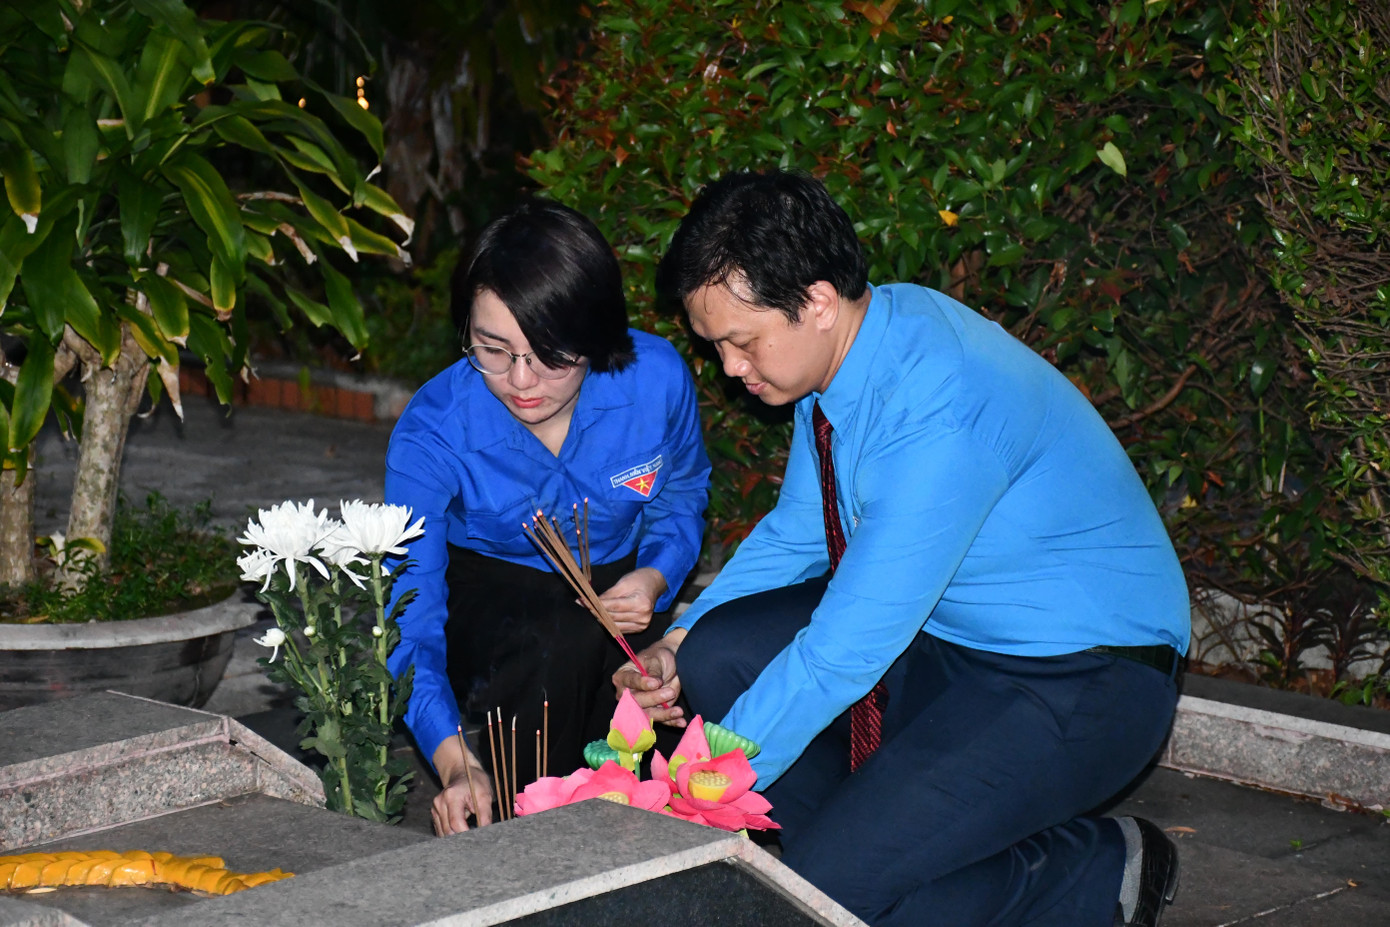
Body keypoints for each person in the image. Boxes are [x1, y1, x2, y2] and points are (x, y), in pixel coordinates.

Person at [616, 170, 1189, 927]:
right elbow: (796, 530)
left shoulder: (940, 407)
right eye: (716, 345)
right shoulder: (852, 348)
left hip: (1084, 677)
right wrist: (678, 638)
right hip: (953, 639)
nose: (729, 368)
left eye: (741, 342)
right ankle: (872, 851)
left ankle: (1096, 869)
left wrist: (693, 789)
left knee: (823, 896)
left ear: (818, 301)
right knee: (718, 656)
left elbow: (843, 652)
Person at [386, 199, 710, 836]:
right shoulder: (433, 429)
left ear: (595, 333)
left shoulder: (654, 380)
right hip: (493, 590)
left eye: (551, 353)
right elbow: (409, 613)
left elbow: (681, 493)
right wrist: (455, 764)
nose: (521, 380)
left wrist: (656, 576)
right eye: (493, 349)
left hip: (620, 575)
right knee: (557, 649)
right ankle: (533, 836)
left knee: (675, 691)